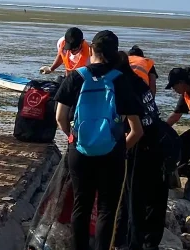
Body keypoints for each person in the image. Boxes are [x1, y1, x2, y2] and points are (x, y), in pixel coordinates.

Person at [53, 30, 144, 250]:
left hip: (80, 151)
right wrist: (120, 148)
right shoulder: (121, 81)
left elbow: (60, 118)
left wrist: (73, 138)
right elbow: (137, 130)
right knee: (106, 209)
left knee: (81, 206)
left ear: (91, 49)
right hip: (112, 154)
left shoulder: (76, 76)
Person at [115, 52, 168, 250]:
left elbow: (135, 131)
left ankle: (131, 243)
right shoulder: (138, 81)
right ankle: (148, 241)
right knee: (151, 196)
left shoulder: (123, 87)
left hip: (141, 147)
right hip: (156, 142)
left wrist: (119, 152)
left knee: (132, 197)